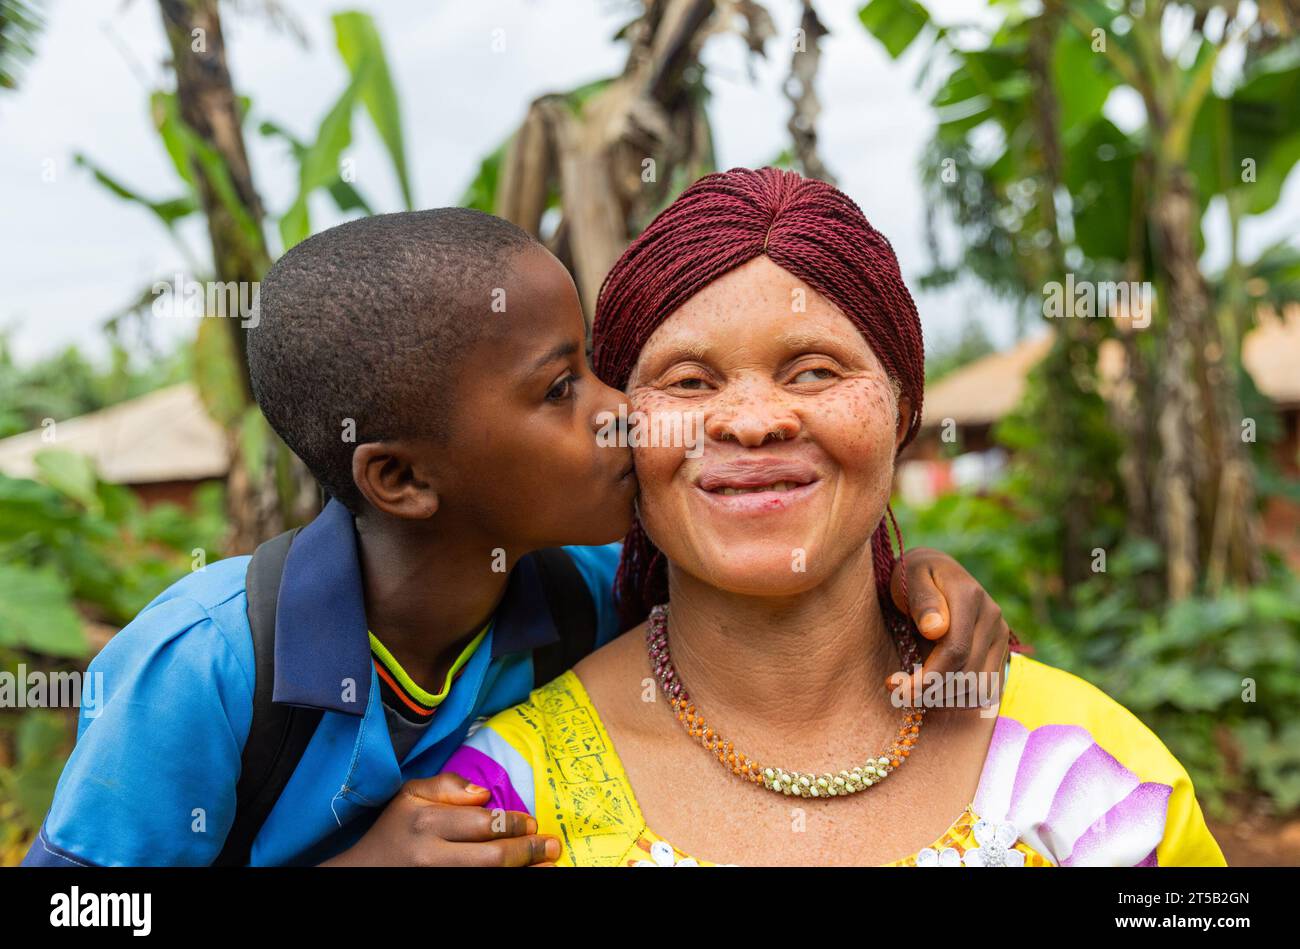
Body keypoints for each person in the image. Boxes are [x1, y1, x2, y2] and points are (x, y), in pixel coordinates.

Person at [24, 208, 1008, 867]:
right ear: (403, 478)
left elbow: (790, 589)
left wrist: (906, 576)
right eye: (559, 387)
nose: (621, 410)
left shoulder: (586, 595)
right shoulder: (207, 663)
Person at [446, 168, 1228, 867]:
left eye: (815, 371)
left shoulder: (1089, 778)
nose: (752, 422)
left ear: (901, 413)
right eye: (687, 382)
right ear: (623, 434)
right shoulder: (501, 806)